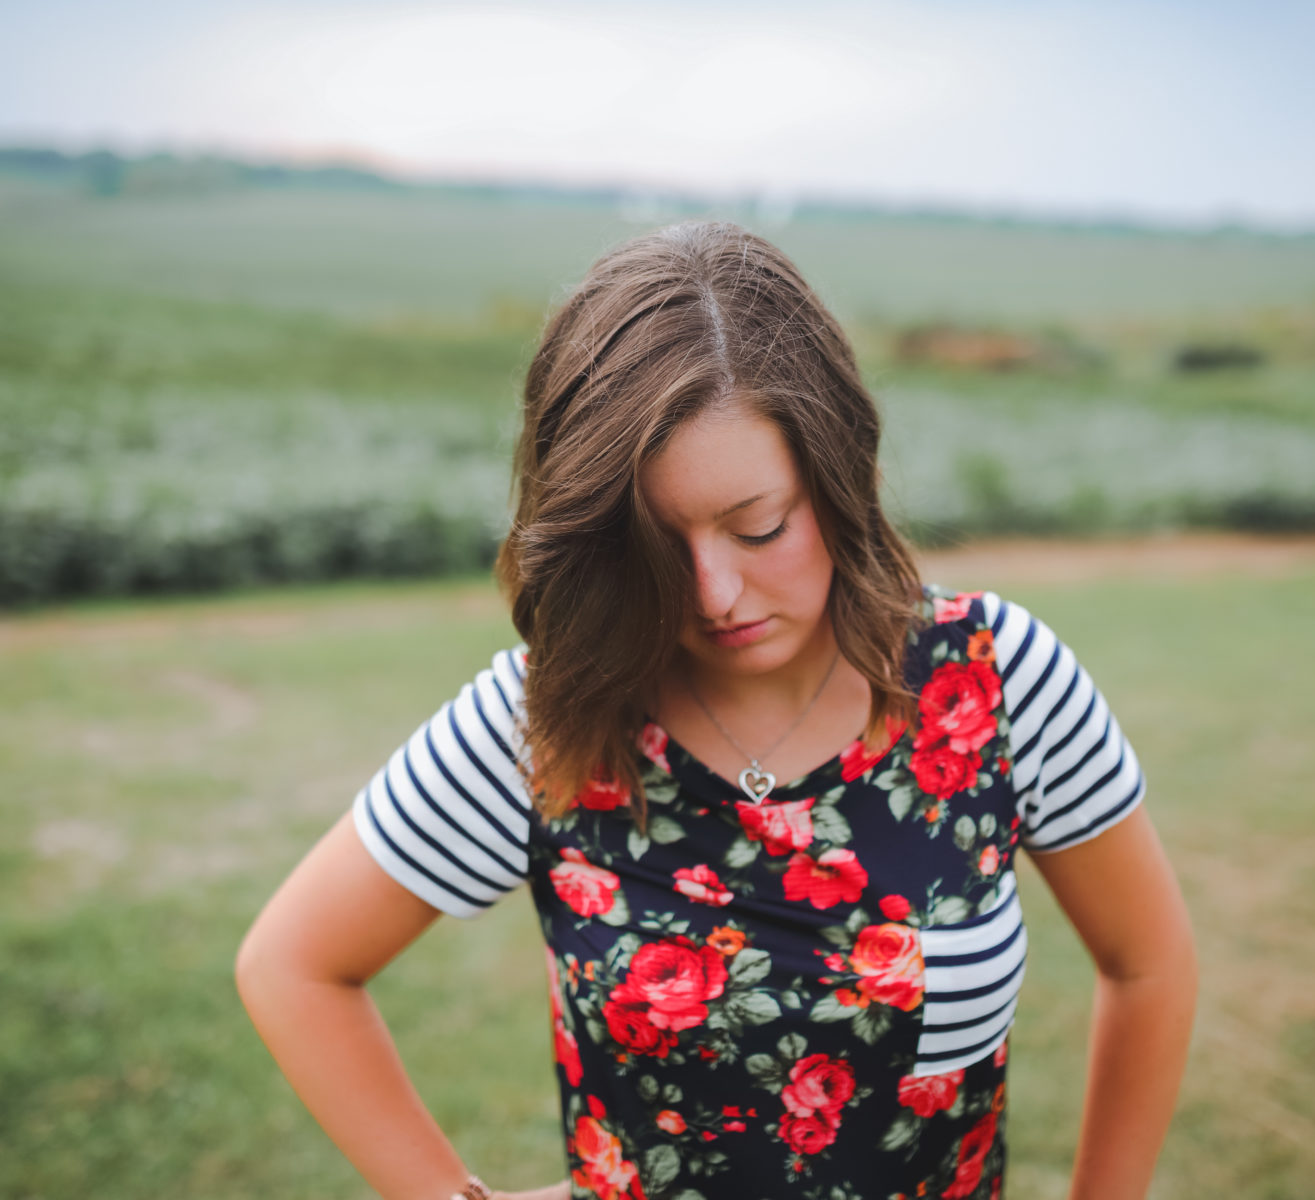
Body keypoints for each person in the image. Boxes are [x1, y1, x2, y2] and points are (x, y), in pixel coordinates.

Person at [235, 221, 1197, 1200]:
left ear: (838, 477)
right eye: (655, 548)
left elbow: (1148, 961)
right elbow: (292, 966)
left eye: (757, 527)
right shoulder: (548, 721)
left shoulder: (997, 683)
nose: (711, 593)